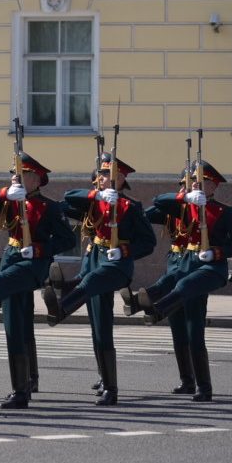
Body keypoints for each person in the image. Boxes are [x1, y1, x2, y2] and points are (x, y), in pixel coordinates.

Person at [0, 152, 75, 408]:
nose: (14, 177)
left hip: (33, 264)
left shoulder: (49, 207)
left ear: (35, 180)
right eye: (14, 174)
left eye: (20, 175)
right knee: (15, 325)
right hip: (12, 255)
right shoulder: (10, 199)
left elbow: (68, 240)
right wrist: (4, 194)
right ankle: (22, 387)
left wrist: (41, 249)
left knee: (2, 288)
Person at [131, 162, 232, 401]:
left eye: (201, 181)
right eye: (190, 181)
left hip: (200, 269)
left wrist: (216, 253)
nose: (195, 184)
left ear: (214, 186)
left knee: (194, 331)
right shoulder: (177, 206)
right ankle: (187, 381)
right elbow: (151, 208)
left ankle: (204, 387)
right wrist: (182, 197)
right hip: (177, 265)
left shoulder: (223, 211)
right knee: (177, 331)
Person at [46, 154, 156, 405]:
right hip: (95, 258)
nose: (101, 178)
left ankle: (62, 306)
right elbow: (68, 199)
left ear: (121, 179)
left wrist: (125, 250)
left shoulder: (130, 207)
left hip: (117, 264)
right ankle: (104, 377)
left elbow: (148, 242)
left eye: (107, 175)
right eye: (101, 174)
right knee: (99, 324)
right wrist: (96, 195)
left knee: (91, 284)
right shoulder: (96, 200)